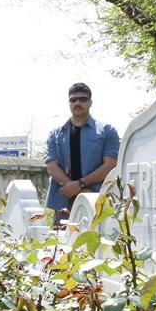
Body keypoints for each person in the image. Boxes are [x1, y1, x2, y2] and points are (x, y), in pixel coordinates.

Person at [44, 82, 120, 223]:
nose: (77, 103)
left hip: (98, 201)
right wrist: (75, 188)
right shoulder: (55, 135)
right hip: (64, 204)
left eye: (82, 99)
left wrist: (80, 184)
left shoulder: (107, 132)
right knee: (59, 243)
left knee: (97, 242)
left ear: (90, 102)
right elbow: (52, 166)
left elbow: (110, 165)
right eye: (73, 99)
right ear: (69, 102)